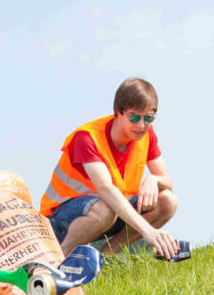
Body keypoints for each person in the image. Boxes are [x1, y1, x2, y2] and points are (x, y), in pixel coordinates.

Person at [40, 77, 179, 259]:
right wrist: (149, 232)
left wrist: (153, 180)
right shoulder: (87, 138)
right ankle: (57, 260)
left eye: (148, 118)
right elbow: (106, 189)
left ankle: (104, 257)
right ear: (118, 113)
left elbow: (167, 181)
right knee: (106, 209)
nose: (142, 125)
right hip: (59, 221)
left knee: (168, 201)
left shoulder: (146, 135)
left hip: (108, 212)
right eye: (134, 117)